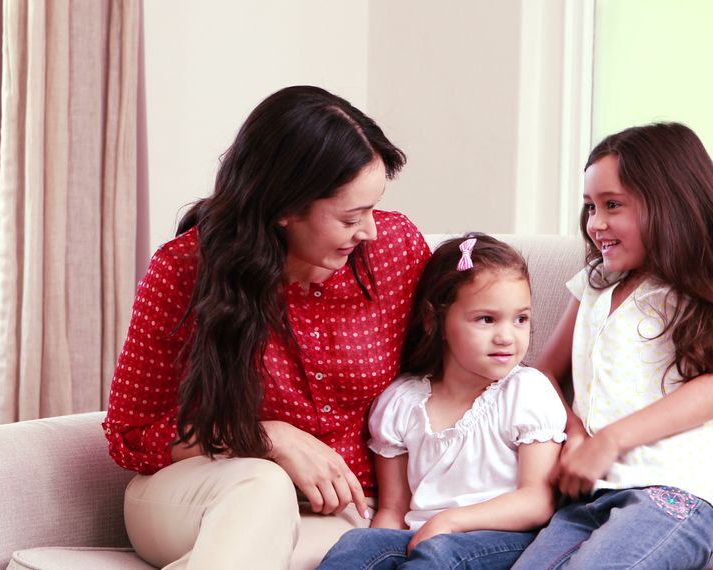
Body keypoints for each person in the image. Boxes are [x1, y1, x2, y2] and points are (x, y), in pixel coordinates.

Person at [102, 85, 430, 569]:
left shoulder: (396, 251)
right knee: (265, 484)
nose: (371, 231)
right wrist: (263, 437)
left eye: (374, 209)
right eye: (351, 216)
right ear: (284, 208)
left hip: (336, 511)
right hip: (196, 496)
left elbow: (448, 383)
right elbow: (130, 436)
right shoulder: (184, 269)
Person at [512, 122, 713, 569]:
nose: (596, 223)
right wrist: (577, 433)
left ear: (669, 203)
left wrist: (610, 441)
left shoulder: (693, 288)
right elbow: (542, 374)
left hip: (672, 488)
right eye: (590, 207)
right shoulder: (595, 283)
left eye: (613, 205)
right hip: (586, 494)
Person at [317, 234, 566, 570]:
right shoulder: (401, 402)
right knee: (360, 544)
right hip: (424, 537)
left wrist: (450, 522)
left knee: (438, 554)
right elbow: (393, 508)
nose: (507, 336)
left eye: (520, 318)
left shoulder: (527, 391)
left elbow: (537, 500)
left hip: (504, 539)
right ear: (435, 321)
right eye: (486, 319)